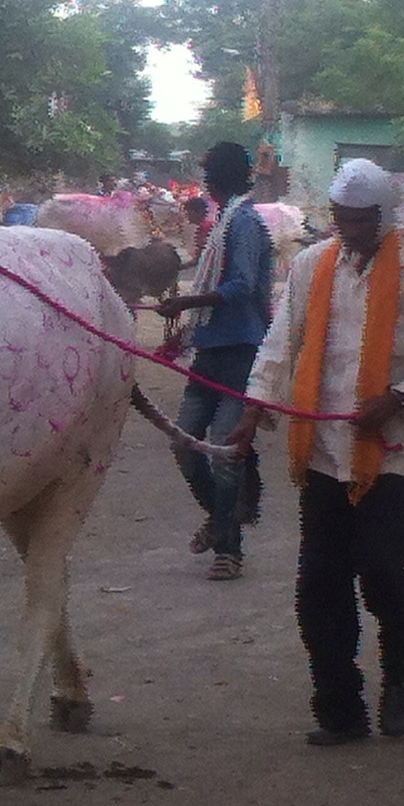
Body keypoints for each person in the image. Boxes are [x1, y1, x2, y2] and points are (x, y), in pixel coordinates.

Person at [227, 158, 404, 746]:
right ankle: (340, 710)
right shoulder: (310, 265)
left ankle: (400, 662)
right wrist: (255, 407)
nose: (347, 231)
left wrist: (398, 397)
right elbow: (282, 343)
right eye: (340, 219)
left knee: (381, 572)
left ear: (383, 217)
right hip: (324, 450)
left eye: (359, 221)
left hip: (390, 449)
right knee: (319, 585)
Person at [156, 142, 275, 582]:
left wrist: (189, 299)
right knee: (183, 445)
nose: (204, 181)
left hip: (240, 350)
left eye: (208, 172)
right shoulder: (224, 220)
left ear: (221, 177)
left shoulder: (242, 223)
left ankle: (229, 548)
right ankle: (222, 518)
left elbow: (243, 285)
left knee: (224, 453)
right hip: (209, 348)